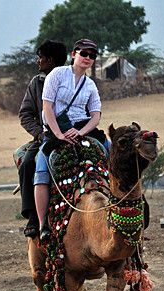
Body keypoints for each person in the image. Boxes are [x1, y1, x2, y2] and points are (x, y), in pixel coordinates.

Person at [34, 38, 107, 241]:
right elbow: (47, 107)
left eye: (92, 56)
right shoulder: (57, 74)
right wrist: (58, 134)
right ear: (74, 54)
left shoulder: (91, 85)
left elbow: (95, 116)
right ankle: (42, 225)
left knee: (110, 149)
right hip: (56, 129)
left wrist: (81, 133)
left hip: (80, 129)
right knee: (41, 167)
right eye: (84, 53)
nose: (88, 58)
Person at [18, 40, 67, 238]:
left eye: (41, 58)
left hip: (74, 134)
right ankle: (32, 216)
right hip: (45, 137)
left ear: (51, 60)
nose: (38, 61)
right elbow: (26, 114)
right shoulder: (36, 83)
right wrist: (40, 134)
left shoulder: (74, 80)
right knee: (28, 163)